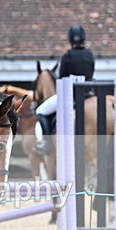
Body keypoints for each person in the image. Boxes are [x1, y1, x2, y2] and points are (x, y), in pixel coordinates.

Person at [34, 25, 96, 155]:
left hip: (70, 95)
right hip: (88, 94)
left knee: (40, 111)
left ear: (70, 39)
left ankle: (46, 143)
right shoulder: (90, 55)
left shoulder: (68, 56)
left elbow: (62, 78)